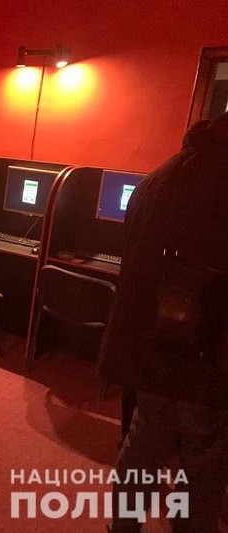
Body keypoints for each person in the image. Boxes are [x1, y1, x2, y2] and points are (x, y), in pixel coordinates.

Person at [99, 112, 228, 532]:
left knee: (145, 440)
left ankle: (123, 527)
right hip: (207, 355)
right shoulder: (218, 186)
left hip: (152, 344)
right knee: (204, 458)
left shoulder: (159, 178)